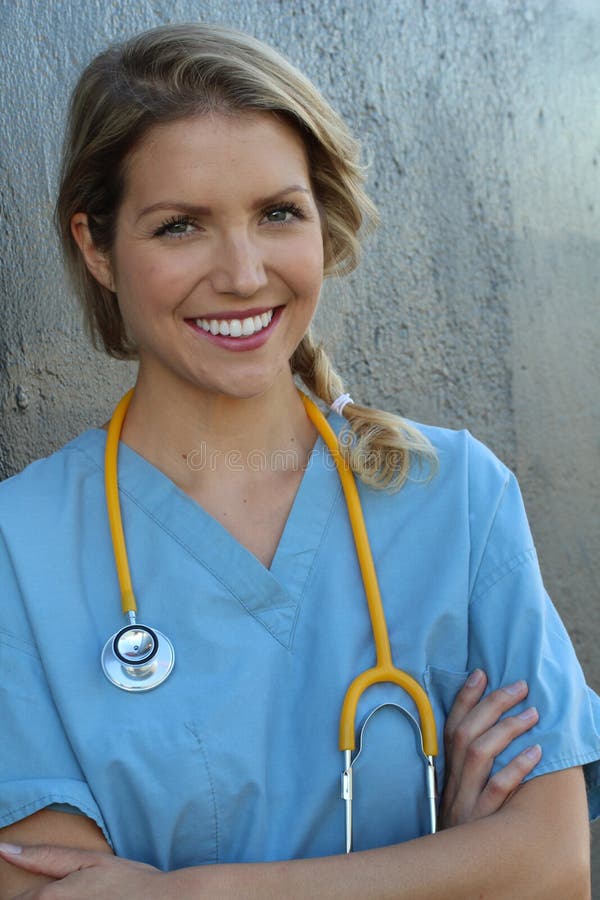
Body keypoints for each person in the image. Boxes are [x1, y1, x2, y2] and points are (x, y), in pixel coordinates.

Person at [0, 23, 597, 899]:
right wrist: (452, 867)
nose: (243, 274)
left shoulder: (456, 498)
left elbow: (554, 866)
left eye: (278, 213)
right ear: (96, 247)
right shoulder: (22, 546)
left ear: (322, 221)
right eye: (179, 227)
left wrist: (191, 892)